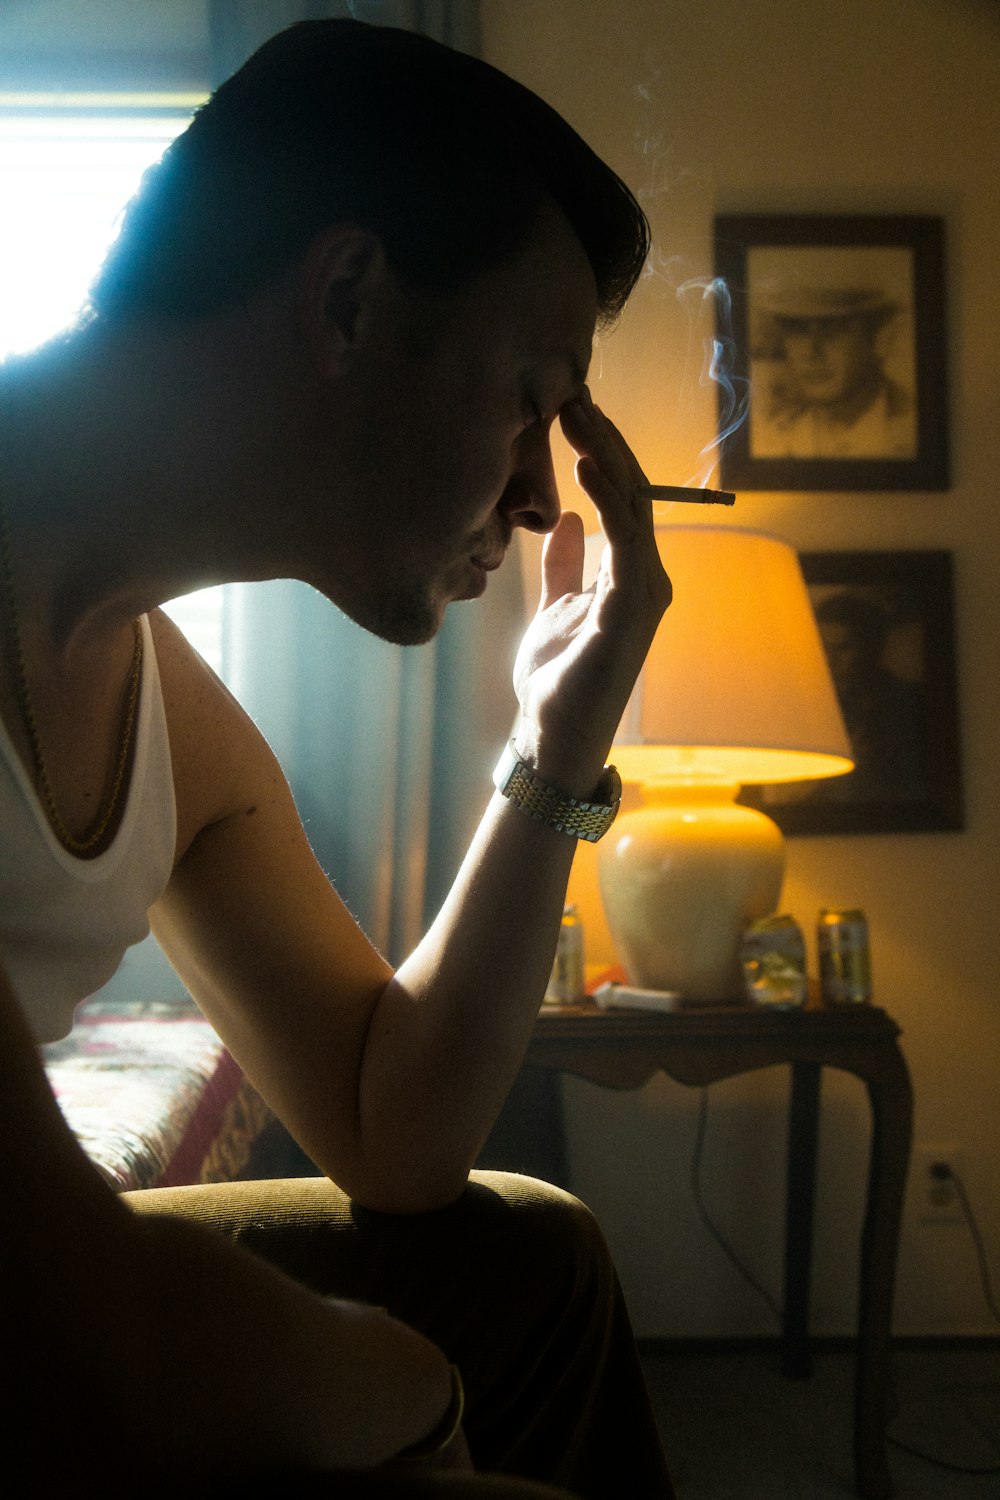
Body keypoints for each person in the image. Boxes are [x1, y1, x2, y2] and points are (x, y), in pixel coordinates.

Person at [0, 18, 675, 1498]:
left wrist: (557, 739)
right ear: (352, 300)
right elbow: (70, 1332)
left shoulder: (159, 703)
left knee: (532, 1256)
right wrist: (406, 1398)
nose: (533, 499)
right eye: (530, 397)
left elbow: (396, 1129)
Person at [750, 283, 917, 460]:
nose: (810, 352)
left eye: (833, 330)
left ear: (878, 339)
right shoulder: (771, 435)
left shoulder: (911, 429)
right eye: (797, 330)